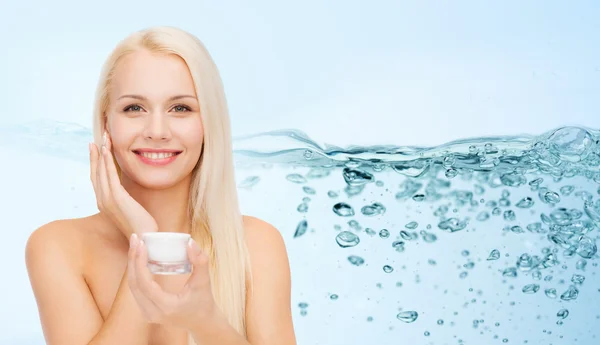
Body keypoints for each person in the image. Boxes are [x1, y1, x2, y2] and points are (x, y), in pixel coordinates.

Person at [25, 26, 297, 345]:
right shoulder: (57, 246)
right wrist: (148, 243)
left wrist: (206, 322)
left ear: (209, 123)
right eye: (134, 108)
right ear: (105, 123)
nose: (157, 131)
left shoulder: (256, 245)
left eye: (180, 108)